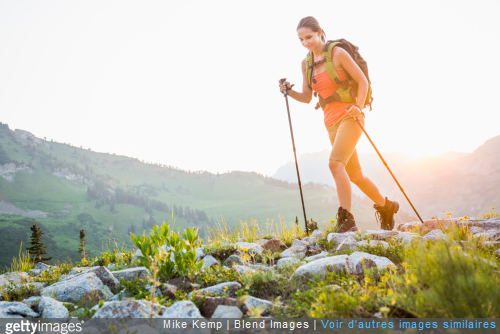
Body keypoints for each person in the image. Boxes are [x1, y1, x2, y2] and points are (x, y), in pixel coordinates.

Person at [279, 16, 399, 232]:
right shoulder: (305, 64)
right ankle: (386, 206)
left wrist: (359, 107)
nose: (305, 42)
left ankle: (346, 219)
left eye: (309, 37)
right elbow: (307, 97)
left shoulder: (337, 54)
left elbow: (362, 80)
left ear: (319, 32)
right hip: (330, 121)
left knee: (335, 165)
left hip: (351, 116)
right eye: (301, 40)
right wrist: (289, 91)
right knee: (355, 175)